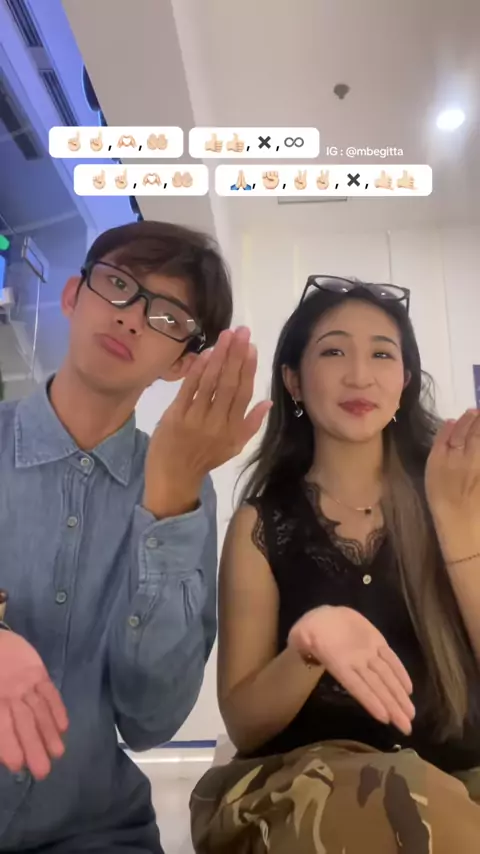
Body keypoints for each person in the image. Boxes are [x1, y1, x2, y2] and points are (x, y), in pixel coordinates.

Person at [0, 220, 270, 853]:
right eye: (119, 284)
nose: (131, 318)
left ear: (182, 363)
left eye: (168, 317)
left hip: (93, 829)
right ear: (73, 295)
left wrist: (168, 497)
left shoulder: (183, 489)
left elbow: (151, 720)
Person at [190, 276, 480, 853]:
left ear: (404, 381)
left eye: (382, 354)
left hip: (460, 780)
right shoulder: (261, 523)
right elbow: (245, 723)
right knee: (401, 803)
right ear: (294, 381)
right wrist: (309, 648)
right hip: (309, 787)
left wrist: (459, 535)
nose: (360, 375)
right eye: (333, 352)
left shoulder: (459, 491)